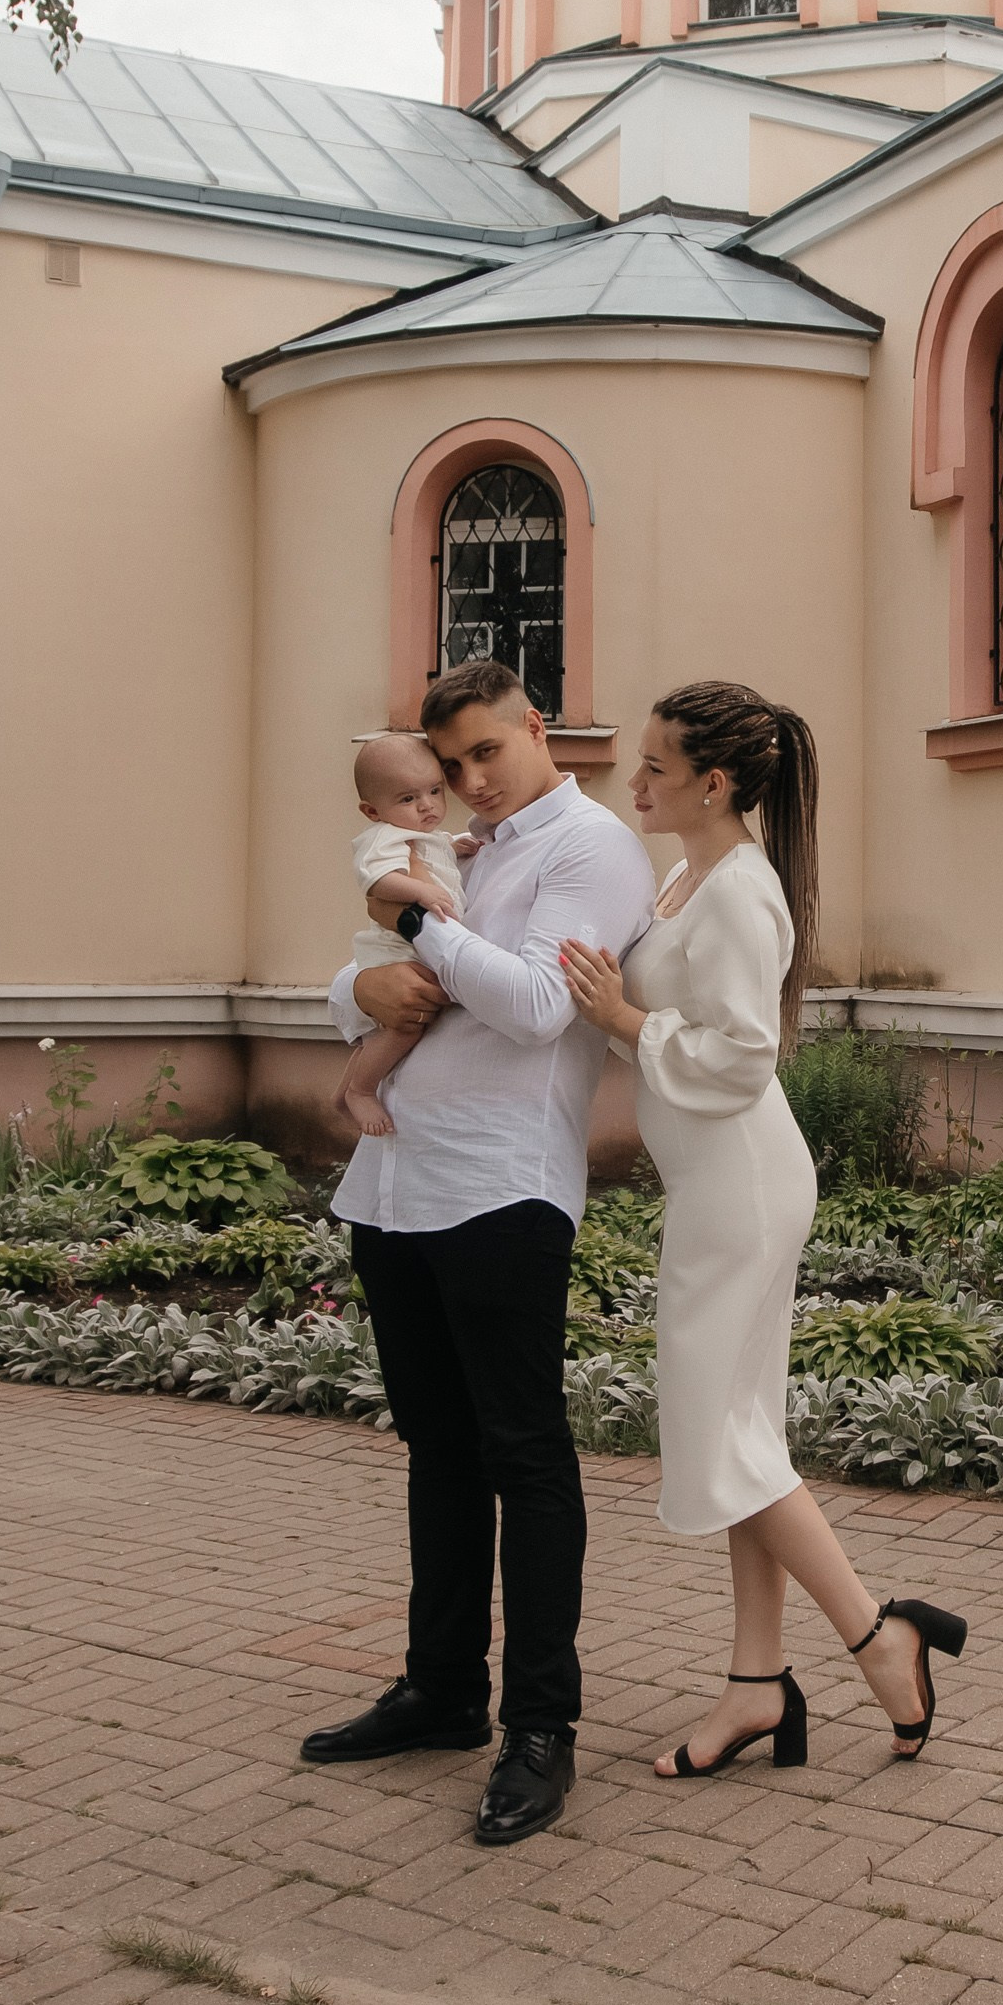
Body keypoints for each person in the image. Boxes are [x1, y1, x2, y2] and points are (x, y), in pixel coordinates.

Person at [561, 681, 967, 1780]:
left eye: (653, 766)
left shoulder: (741, 892)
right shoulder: (686, 879)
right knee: (744, 1433)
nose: (633, 781)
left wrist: (621, 1017)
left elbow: (743, 1057)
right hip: (715, 1185)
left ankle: (880, 1636)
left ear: (713, 783)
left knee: (720, 1436)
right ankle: (754, 1684)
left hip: (740, 1188)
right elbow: (672, 1031)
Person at [302, 660, 653, 1848]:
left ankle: (540, 1726)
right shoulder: (463, 850)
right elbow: (371, 995)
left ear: (534, 727)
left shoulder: (590, 850)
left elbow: (537, 1007)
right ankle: (442, 1688)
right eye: (449, 765)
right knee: (436, 1450)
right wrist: (363, 981)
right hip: (396, 1185)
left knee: (524, 1455)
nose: (468, 780)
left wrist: (410, 922)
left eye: (485, 753)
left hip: (501, 1189)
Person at [334, 731, 474, 1140]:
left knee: (381, 1033)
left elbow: (432, 851)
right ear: (372, 811)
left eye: (434, 790)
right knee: (406, 1025)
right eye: (408, 798)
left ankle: (344, 1092)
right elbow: (377, 880)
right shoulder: (383, 838)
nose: (427, 805)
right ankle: (361, 1091)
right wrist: (421, 892)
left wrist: (454, 845)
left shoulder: (415, 835)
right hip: (396, 953)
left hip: (408, 952)